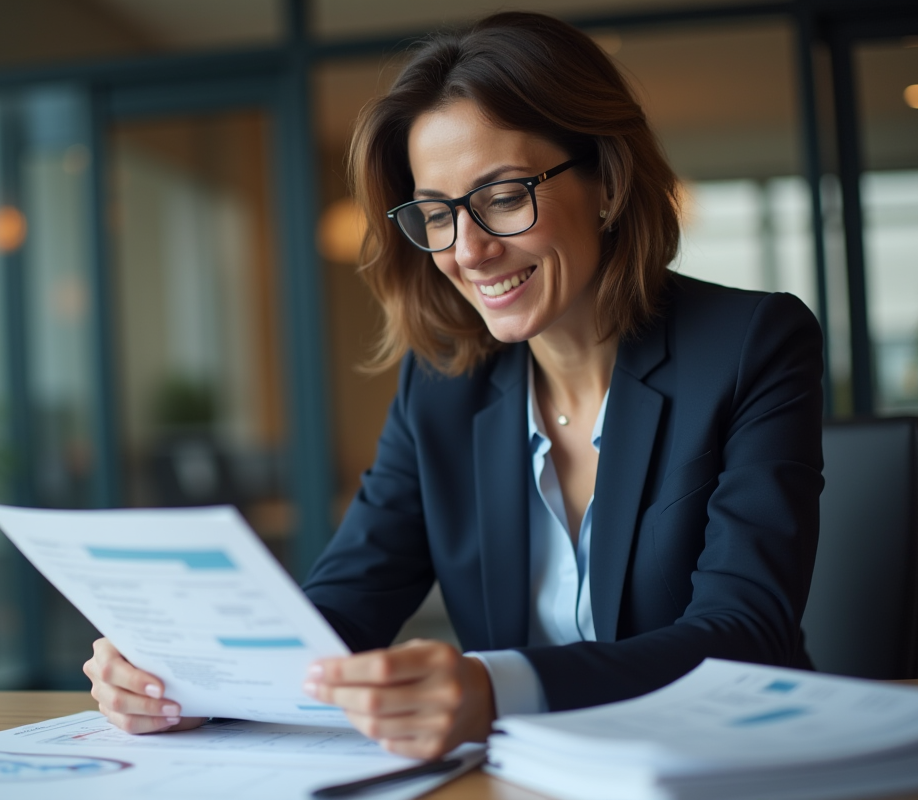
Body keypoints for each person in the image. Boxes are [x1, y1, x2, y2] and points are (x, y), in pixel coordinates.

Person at [85, 11, 823, 761]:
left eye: (503, 197)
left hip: (732, 765)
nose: (468, 250)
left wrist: (494, 688)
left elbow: (745, 633)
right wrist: (183, 679)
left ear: (607, 180)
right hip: (526, 778)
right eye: (436, 214)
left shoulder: (751, 345)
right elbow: (344, 606)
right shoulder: (443, 384)